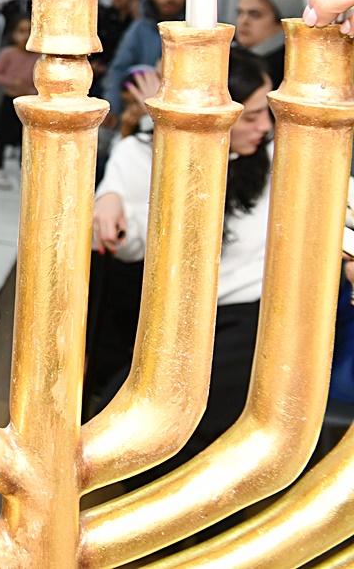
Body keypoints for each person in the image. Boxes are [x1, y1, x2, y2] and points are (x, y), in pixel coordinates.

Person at [91, 54, 279, 479]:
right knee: (121, 430)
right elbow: (134, 239)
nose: (265, 127)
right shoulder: (147, 151)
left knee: (189, 442)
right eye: (250, 117)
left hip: (249, 323)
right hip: (172, 320)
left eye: (266, 113)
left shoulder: (278, 155)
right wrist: (111, 206)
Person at [104, 0, 187, 115]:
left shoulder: (195, 31)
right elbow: (119, 69)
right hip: (137, 110)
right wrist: (112, 109)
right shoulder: (140, 28)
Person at [0, 13, 38, 190]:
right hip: (9, 100)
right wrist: (12, 83)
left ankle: (26, 173)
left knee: (26, 137)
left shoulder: (39, 57)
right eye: (21, 31)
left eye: (29, 31)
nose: (25, 36)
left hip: (29, 103)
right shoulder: (8, 53)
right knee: (2, 135)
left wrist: (31, 91)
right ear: (14, 34)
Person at [232, 0, 301, 88]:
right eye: (240, 12)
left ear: (283, 22)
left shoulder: (289, 69)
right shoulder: (232, 53)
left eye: (255, 14)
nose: (243, 21)